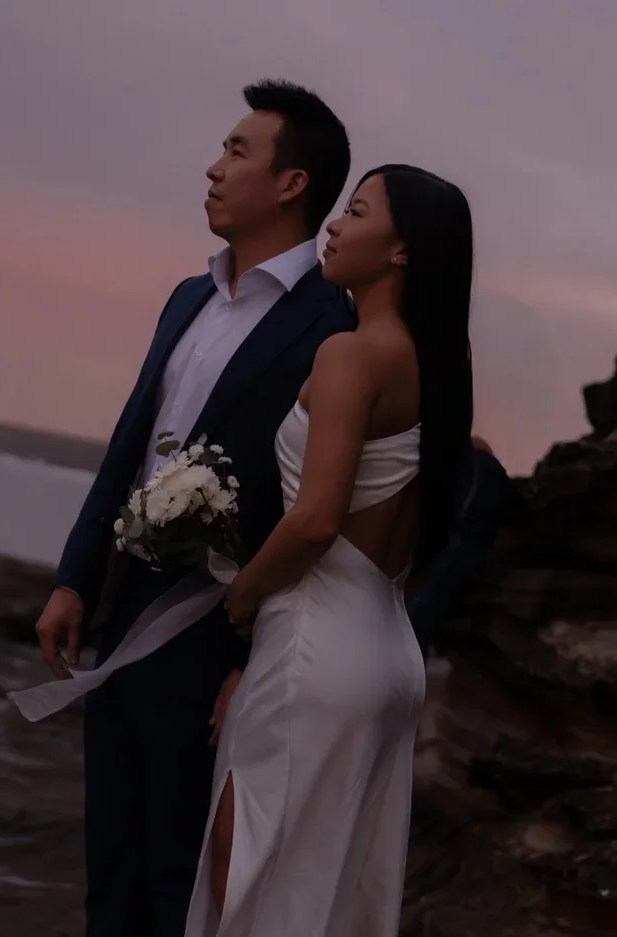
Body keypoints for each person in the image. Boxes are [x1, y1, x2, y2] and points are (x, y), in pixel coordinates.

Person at [33, 79, 353, 937]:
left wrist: (256, 656)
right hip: (122, 609)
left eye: (237, 152)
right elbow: (130, 445)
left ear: (291, 183)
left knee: (180, 878)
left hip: (219, 633)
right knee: (109, 864)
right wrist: (73, 578)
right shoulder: (189, 296)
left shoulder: (333, 328)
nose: (214, 168)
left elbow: (320, 509)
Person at [184, 165, 474, 937]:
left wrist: (243, 596)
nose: (335, 226)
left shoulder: (351, 354)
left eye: (357, 211)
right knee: (334, 892)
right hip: (389, 654)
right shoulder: (435, 369)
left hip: (314, 649)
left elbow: (315, 519)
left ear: (402, 248)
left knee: (248, 880)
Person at [406, 435, 522, 657]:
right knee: (432, 597)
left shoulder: (469, 468)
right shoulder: (485, 468)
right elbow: (513, 507)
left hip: (457, 539)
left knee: (428, 596)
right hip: (469, 541)